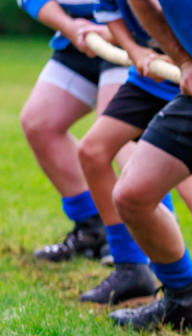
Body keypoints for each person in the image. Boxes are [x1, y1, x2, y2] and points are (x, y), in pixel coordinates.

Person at [77, 0, 192, 307]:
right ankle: (139, 272)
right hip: (166, 75)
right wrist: (143, 53)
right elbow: (117, 10)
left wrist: (185, 59)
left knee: (191, 180)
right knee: (99, 156)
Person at [19, 0, 126, 263]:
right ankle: (93, 231)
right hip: (77, 36)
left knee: (120, 137)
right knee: (38, 123)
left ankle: (137, 243)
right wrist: (70, 28)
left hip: (134, 38)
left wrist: (114, 32)